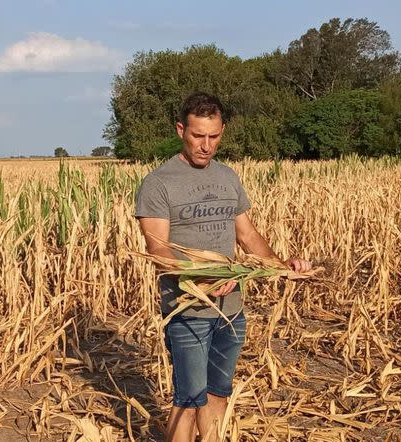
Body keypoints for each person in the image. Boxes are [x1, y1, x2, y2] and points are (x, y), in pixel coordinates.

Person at [135, 92, 311, 442]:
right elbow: (157, 251)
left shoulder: (228, 177)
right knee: (188, 397)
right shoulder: (159, 183)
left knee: (218, 392)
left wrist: (280, 265)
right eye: (197, 136)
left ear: (222, 131)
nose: (206, 145)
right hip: (188, 310)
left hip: (231, 309)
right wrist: (204, 279)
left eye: (213, 136)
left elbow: (248, 235)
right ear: (180, 130)